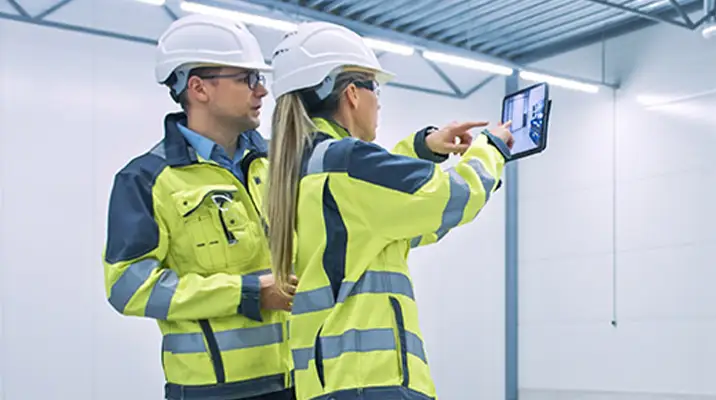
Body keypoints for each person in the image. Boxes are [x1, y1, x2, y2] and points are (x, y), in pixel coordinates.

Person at [264, 21, 515, 400]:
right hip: (372, 380)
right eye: (374, 87)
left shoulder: (298, 170)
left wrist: (422, 148)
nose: (378, 100)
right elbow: (453, 197)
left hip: (326, 382)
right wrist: (491, 149)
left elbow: (395, 214)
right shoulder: (347, 162)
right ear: (351, 93)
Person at [102, 14, 297, 400]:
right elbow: (128, 286)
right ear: (199, 88)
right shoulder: (146, 180)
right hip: (210, 392)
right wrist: (247, 292)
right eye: (247, 79)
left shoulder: (280, 164)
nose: (261, 92)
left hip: (297, 381)